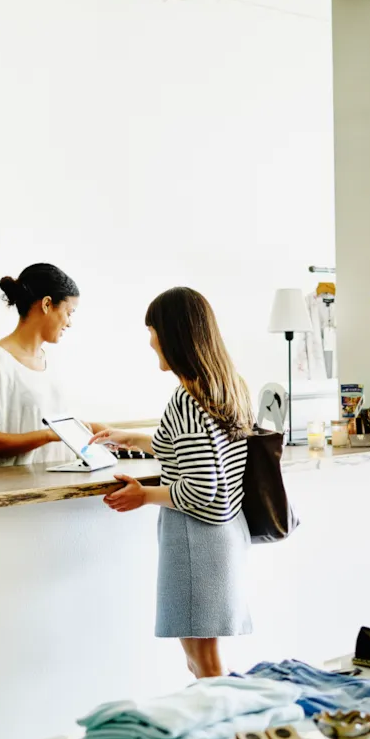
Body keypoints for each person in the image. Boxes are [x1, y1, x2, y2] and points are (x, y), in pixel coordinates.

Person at [90, 287, 254, 678]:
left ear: (173, 334)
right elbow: (198, 452)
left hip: (197, 541)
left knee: (204, 661)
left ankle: (234, 735)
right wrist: (131, 438)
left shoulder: (186, 399)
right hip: (224, 534)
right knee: (204, 659)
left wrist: (143, 495)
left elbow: (200, 489)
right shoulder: (225, 388)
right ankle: (232, 731)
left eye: (153, 331)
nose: (150, 341)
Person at [0, 262, 98, 468]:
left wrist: (103, 430)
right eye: (69, 312)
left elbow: (52, 422)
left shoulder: (51, 361)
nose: (70, 323)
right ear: (47, 304)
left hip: (59, 487)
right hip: (15, 493)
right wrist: (48, 435)